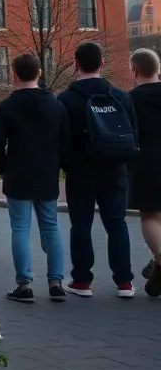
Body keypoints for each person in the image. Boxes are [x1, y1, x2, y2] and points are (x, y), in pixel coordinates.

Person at [57, 41, 138, 297]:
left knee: (80, 224)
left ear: (75, 64)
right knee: (117, 224)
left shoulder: (66, 99)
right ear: (102, 64)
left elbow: (62, 139)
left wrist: (67, 164)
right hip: (115, 168)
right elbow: (132, 133)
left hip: (81, 169)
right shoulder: (121, 96)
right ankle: (124, 281)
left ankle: (82, 280)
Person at [0, 53, 71, 302]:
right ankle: (56, 282)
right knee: (51, 227)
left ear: (14, 74)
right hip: (46, 173)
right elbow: (66, 142)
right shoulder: (56, 105)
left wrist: (4, 168)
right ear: (39, 73)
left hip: (18, 173)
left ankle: (24, 284)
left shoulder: (6, 107)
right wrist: (59, 167)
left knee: (20, 229)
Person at [128, 49, 161, 297]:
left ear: (135, 71)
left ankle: (160, 259)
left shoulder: (130, 100)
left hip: (146, 162)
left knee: (150, 215)